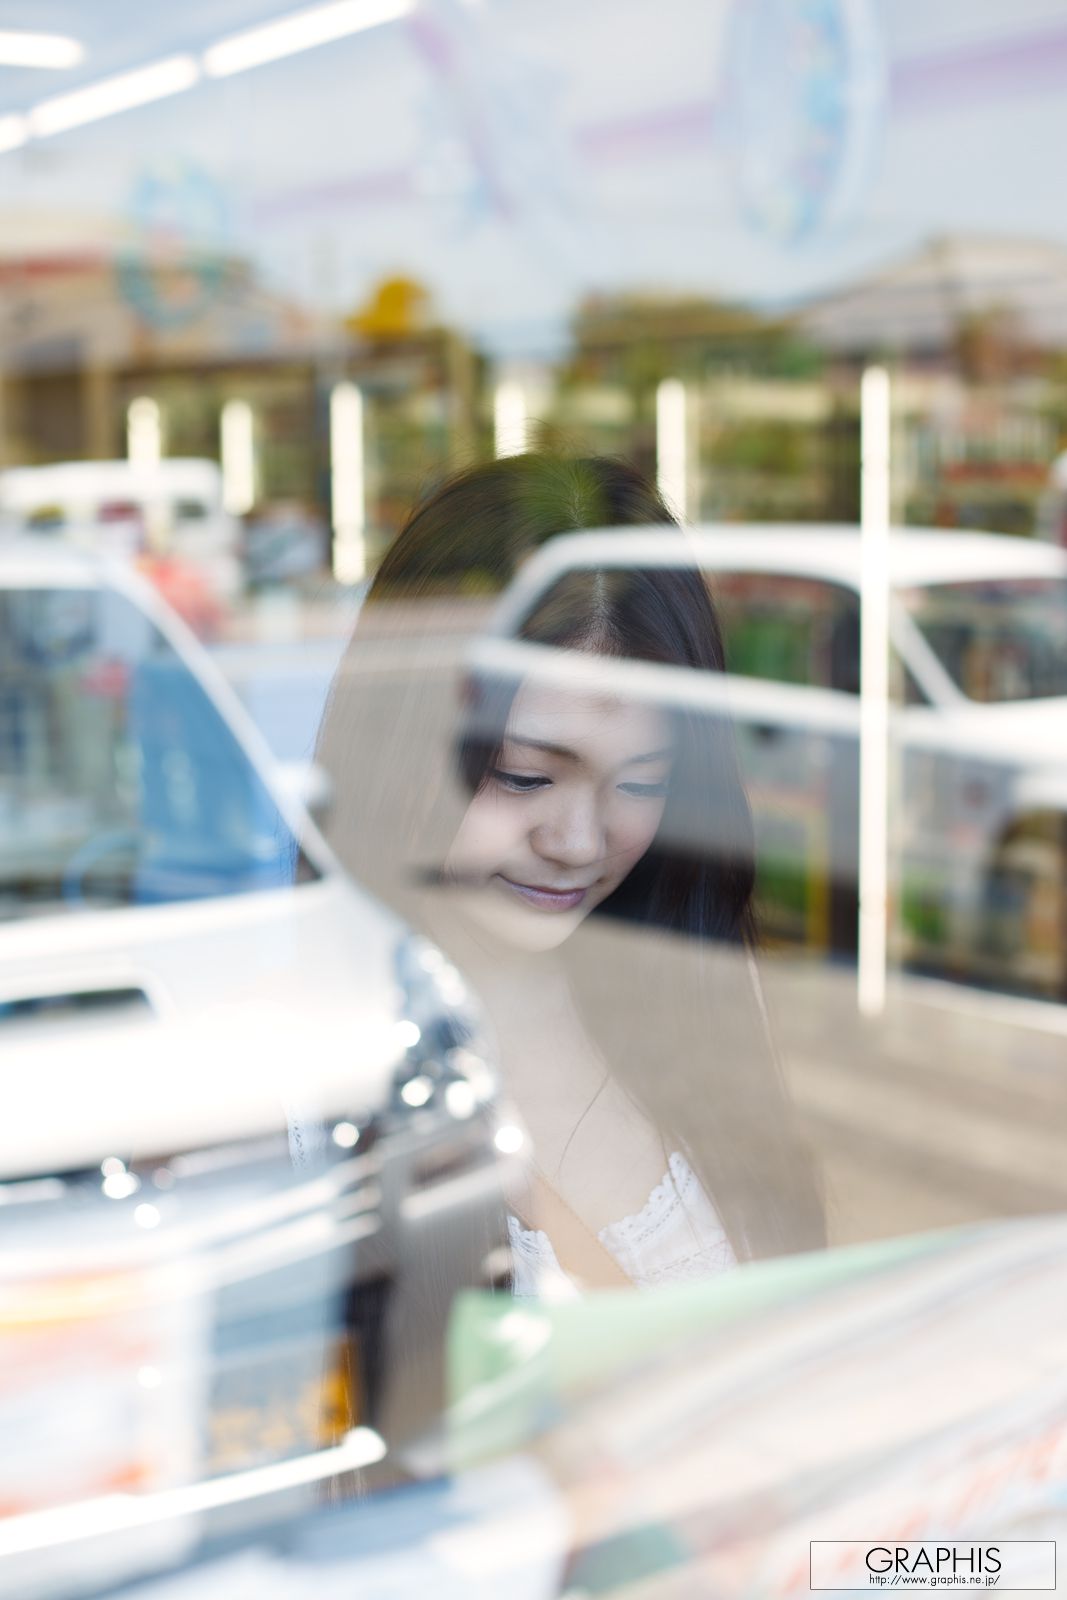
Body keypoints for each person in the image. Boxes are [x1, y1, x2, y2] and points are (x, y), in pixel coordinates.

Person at [316, 453, 824, 1294]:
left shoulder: (683, 980)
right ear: (396, 743)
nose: (579, 841)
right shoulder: (319, 1040)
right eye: (524, 776)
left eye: (640, 783)